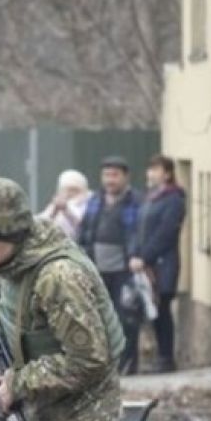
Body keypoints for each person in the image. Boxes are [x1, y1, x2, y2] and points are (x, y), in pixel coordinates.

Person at [0, 177, 124, 421]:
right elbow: (13, 305)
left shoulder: (58, 277)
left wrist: (16, 383)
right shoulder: (17, 261)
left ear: (10, 231)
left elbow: (88, 361)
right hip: (51, 420)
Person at [78, 156, 142, 374]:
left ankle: (128, 363)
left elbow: (139, 234)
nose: (110, 180)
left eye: (115, 175)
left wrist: (136, 256)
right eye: (106, 175)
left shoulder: (135, 201)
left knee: (126, 318)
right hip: (97, 269)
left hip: (125, 270)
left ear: (125, 177)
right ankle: (106, 364)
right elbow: (84, 231)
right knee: (100, 319)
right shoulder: (96, 200)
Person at [130, 155, 187, 373]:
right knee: (151, 311)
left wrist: (145, 256)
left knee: (162, 310)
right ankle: (157, 356)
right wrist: (135, 253)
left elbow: (166, 233)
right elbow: (138, 229)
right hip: (145, 264)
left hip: (163, 264)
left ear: (168, 173)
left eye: (155, 170)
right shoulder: (150, 198)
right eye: (149, 169)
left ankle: (166, 358)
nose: (150, 174)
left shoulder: (174, 199)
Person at [37, 169, 92, 241]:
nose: (69, 193)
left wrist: (66, 210)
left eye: (73, 189)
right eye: (66, 189)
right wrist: (55, 210)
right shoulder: (56, 204)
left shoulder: (90, 202)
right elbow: (40, 224)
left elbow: (85, 227)